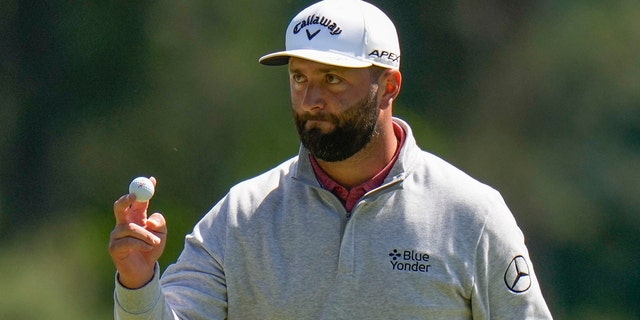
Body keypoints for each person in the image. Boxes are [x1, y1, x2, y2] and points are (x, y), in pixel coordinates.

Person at [109, 0, 553, 319]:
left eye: (333, 79)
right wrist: (138, 280)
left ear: (390, 86)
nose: (311, 99)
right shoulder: (242, 215)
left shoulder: (471, 215)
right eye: (299, 77)